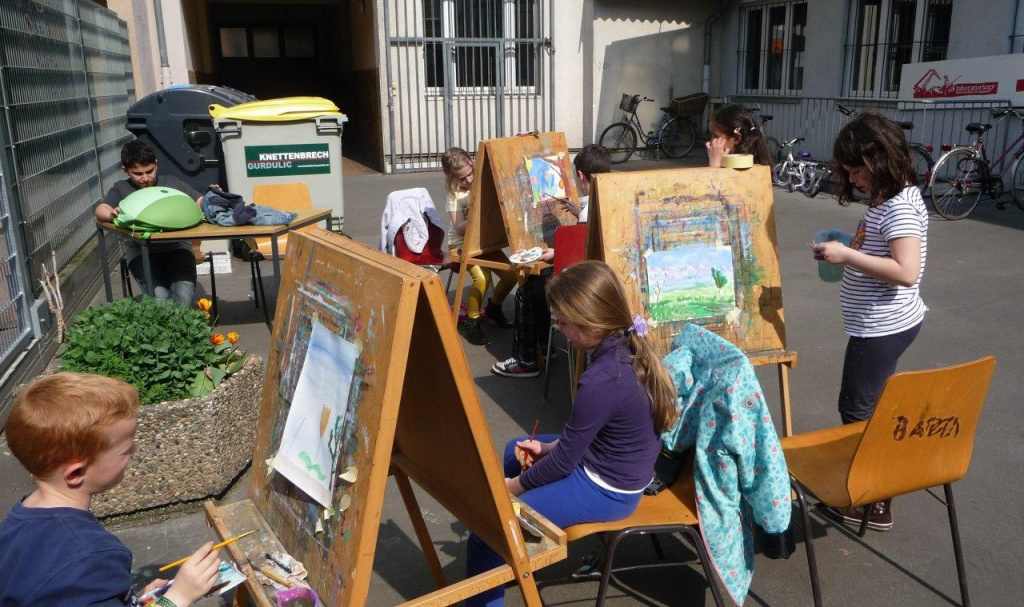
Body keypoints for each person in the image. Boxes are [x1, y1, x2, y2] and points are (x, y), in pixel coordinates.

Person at [465, 261, 678, 606]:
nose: (559, 328)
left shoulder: (603, 379)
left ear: (591, 321)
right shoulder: (620, 349)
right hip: (611, 466)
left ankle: (505, 543)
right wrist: (545, 449)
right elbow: (590, 437)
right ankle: (517, 548)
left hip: (610, 490)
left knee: (486, 537)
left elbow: (566, 462)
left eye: (563, 322)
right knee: (513, 450)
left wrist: (513, 491)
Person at [0, 372, 221, 606]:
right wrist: (177, 598)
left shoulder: (16, 525)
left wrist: (131, 599)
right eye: (125, 450)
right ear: (76, 473)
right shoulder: (88, 558)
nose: (134, 450)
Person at [811, 113, 928, 532]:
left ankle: (874, 501)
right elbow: (882, 251)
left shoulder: (898, 208)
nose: (853, 178)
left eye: (857, 169)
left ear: (880, 158)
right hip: (885, 321)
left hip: (880, 326)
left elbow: (906, 270)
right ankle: (870, 485)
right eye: (847, 171)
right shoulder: (888, 199)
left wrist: (849, 257)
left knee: (857, 408)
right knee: (870, 405)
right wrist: (848, 245)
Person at [491, 145, 611, 377]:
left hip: (586, 285)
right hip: (605, 277)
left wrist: (554, 253)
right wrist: (578, 213)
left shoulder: (587, 214)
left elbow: (579, 257)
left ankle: (526, 360)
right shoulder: (608, 197)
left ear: (579, 176)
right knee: (541, 283)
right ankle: (545, 349)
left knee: (528, 291)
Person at [95, 140, 205, 307]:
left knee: (183, 298)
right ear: (126, 171)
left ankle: (178, 329)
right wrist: (111, 214)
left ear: (156, 164)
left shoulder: (171, 184)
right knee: (159, 298)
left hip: (178, 248)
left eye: (149, 171)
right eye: (138, 173)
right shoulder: (122, 189)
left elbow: (199, 201)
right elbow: (100, 209)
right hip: (140, 252)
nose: (146, 178)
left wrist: (211, 199)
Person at [441, 147, 516, 346]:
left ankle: (494, 307)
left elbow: (503, 157)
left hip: (485, 241)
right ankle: (472, 322)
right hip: (461, 244)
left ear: (472, 163)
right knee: (482, 278)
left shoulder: (481, 181)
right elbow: (459, 229)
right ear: (451, 177)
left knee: (512, 274)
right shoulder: (453, 195)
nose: (468, 180)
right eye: (462, 178)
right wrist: (476, 210)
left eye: (470, 174)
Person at [705, 103, 773, 168]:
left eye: (716, 136)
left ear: (736, 138)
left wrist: (715, 164)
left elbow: (718, 180)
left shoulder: (744, 167)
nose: (710, 142)